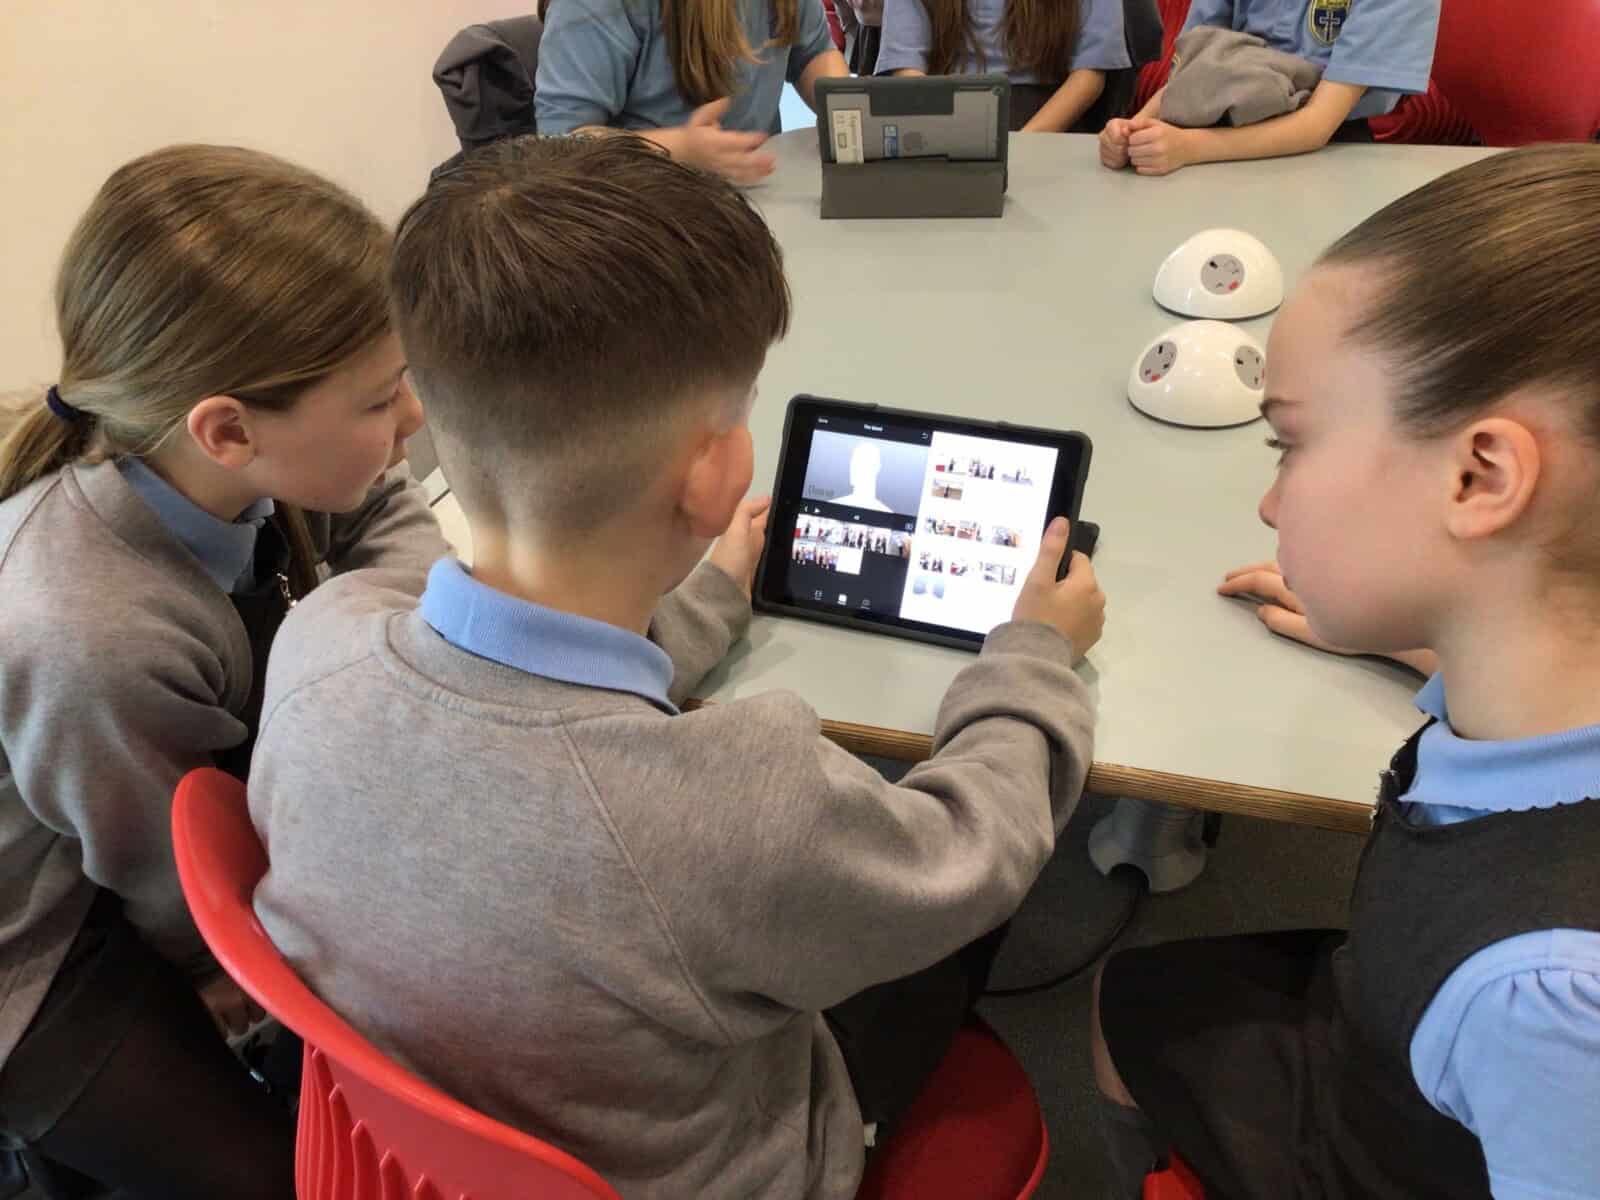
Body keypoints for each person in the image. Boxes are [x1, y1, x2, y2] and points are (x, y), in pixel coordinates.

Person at [248, 134, 1105, 1200]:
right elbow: (973, 854)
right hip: (713, 1167)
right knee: (951, 925)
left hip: (401, 1149)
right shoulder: (747, 803)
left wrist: (710, 596)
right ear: (717, 475)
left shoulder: (318, 640)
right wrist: (1034, 652)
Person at [1092, 144, 1600, 1200]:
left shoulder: (1548, 1000)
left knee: (1122, 1006)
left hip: (1387, 1133)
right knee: (1140, 994)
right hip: (1400, 1018)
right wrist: (1425, 633)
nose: (1270, 503)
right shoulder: (1540, 684)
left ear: (1479, 475)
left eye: (1289, 445)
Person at [0, 145, 446, 1199]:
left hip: (140, 831)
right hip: (45, 955)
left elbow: (383, 507)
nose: (414, 420)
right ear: (230, 430)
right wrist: (230, 985)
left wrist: (364, 609)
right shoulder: (90, 633)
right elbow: (183, 887)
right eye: (380, 400)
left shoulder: (217, 460)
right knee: (291, 1180)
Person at [1101, 0, 1440, 175]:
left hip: (1329, 147)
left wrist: (1186, 148)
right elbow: (1192, 72)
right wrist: (1136, 129)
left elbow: (1317, 125)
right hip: (1210, 125)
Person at [535, 0, 849, 184]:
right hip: (642, 209)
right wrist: (681, 149)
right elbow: (560, 143)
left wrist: (847, 109)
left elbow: (813, 53)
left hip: (753, 193)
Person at [877, 0, 1132, 132]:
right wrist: (944, 137)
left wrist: (1025, 145)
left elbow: (1089, 76)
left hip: (1053, 113)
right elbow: (907, 68)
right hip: (941, 108)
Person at [837, 441, 893, 512]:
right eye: (853, 463)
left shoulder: (886, 513)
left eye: (862, 463)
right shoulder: (833, 506)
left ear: (877, 468)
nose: (854, 468)